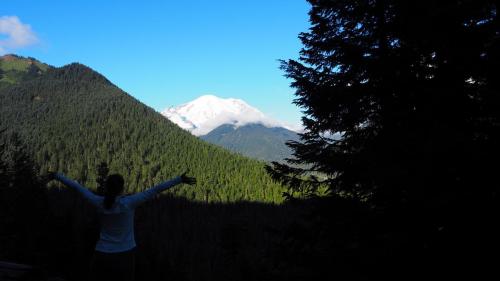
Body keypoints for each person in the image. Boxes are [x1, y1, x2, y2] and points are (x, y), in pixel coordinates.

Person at [46, 171, 196, 281]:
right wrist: (179, 180)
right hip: (125, 254)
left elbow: (77, 187)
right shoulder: (129, 203)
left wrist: (56, 176)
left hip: (101, 254)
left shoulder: (98, 202)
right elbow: (155, 189)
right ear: (122, 188)